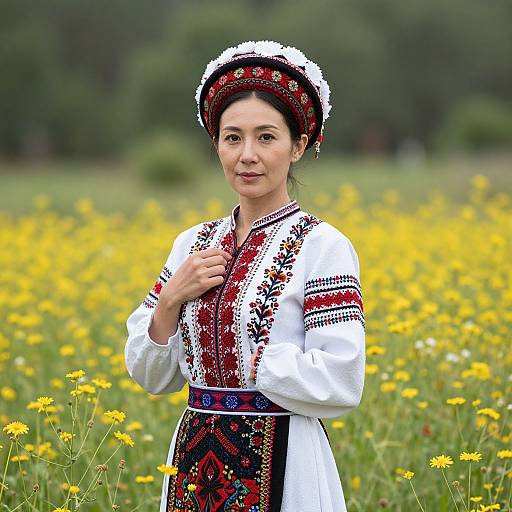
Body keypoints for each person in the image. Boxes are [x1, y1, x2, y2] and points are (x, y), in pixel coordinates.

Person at [125, 40, 366, 512]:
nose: (247, 155)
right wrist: (171, 299)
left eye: (267, 137)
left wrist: (250, 360)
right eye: (232, 138)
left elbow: (341, 379)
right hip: (194, 461)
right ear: (216, 145)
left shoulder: (323, 247)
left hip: (286, 459)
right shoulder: (191, 245)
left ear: (299, 146)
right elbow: (153, 376)